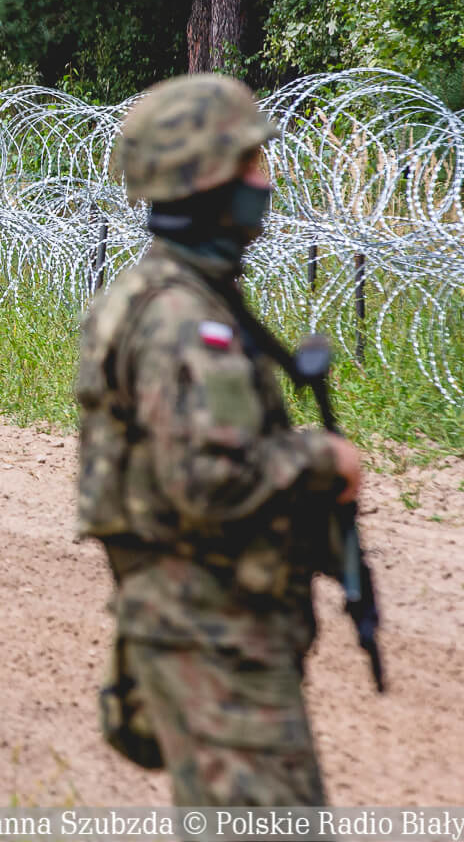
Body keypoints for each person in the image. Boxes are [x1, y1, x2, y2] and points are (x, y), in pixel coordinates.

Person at [76, 73, 363, 807]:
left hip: (203, 626)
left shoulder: (168, 293)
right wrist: (320, 459)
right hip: (212, 634)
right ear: (208, 178)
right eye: (252, 164)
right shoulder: (183, 319)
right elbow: (208, 481)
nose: (266, 181)